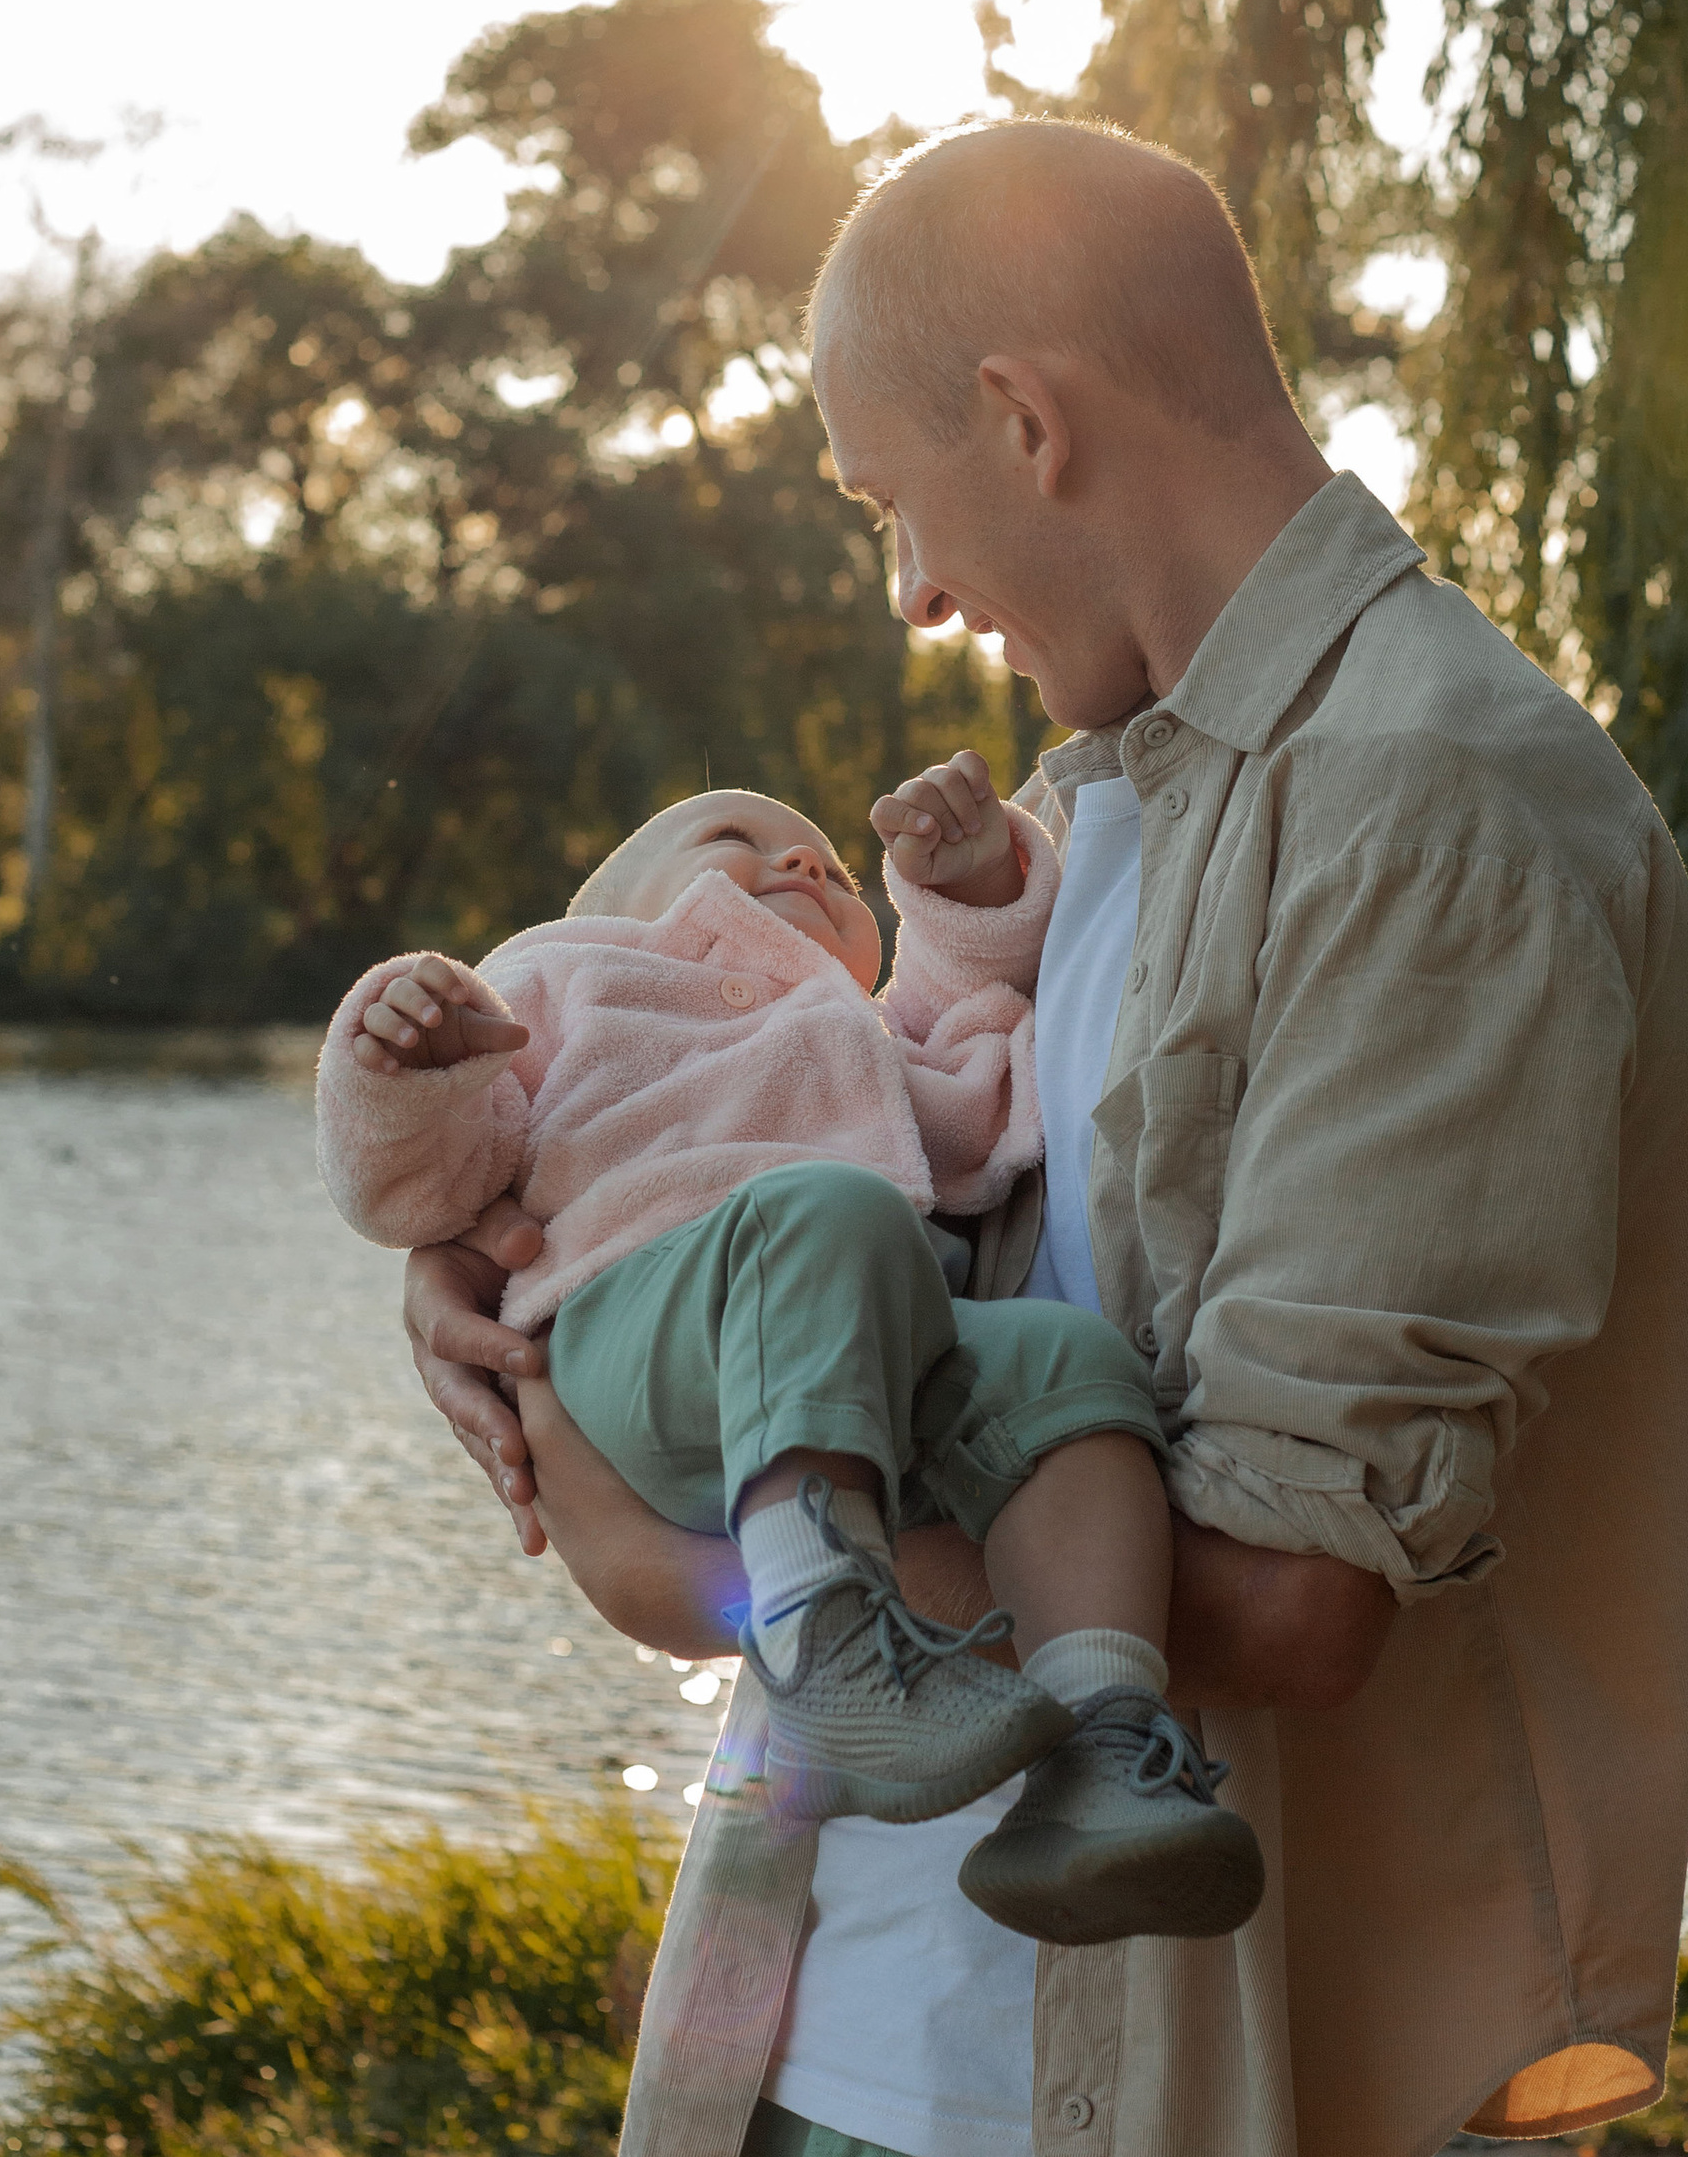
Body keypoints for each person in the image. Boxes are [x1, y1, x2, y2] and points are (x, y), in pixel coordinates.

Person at [403, 117, 1688, 2157]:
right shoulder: (1108, 805)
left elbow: (1294, 1591)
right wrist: (524, 1298)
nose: (912, 602)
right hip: (771, 2014)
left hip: (1003, 2105)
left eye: (900, 509)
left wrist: (680, 1535)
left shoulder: (1438, 810)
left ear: (1024, 412)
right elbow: (860, 1289)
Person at [317, 759, 1265, 1942]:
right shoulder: (565, 979)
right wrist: (407, 1062)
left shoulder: (849, 1034)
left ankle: (1106, 1753)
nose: (802, 861)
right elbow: (423, 1183)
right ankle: (823, 1641)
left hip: (869, 1384)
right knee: (837, 1210)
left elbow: (970, 1062)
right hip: (648, 1333)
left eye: (828, 866)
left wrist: (965, 901)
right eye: (735, 834)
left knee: (1067, 1368)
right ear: (611, 905)